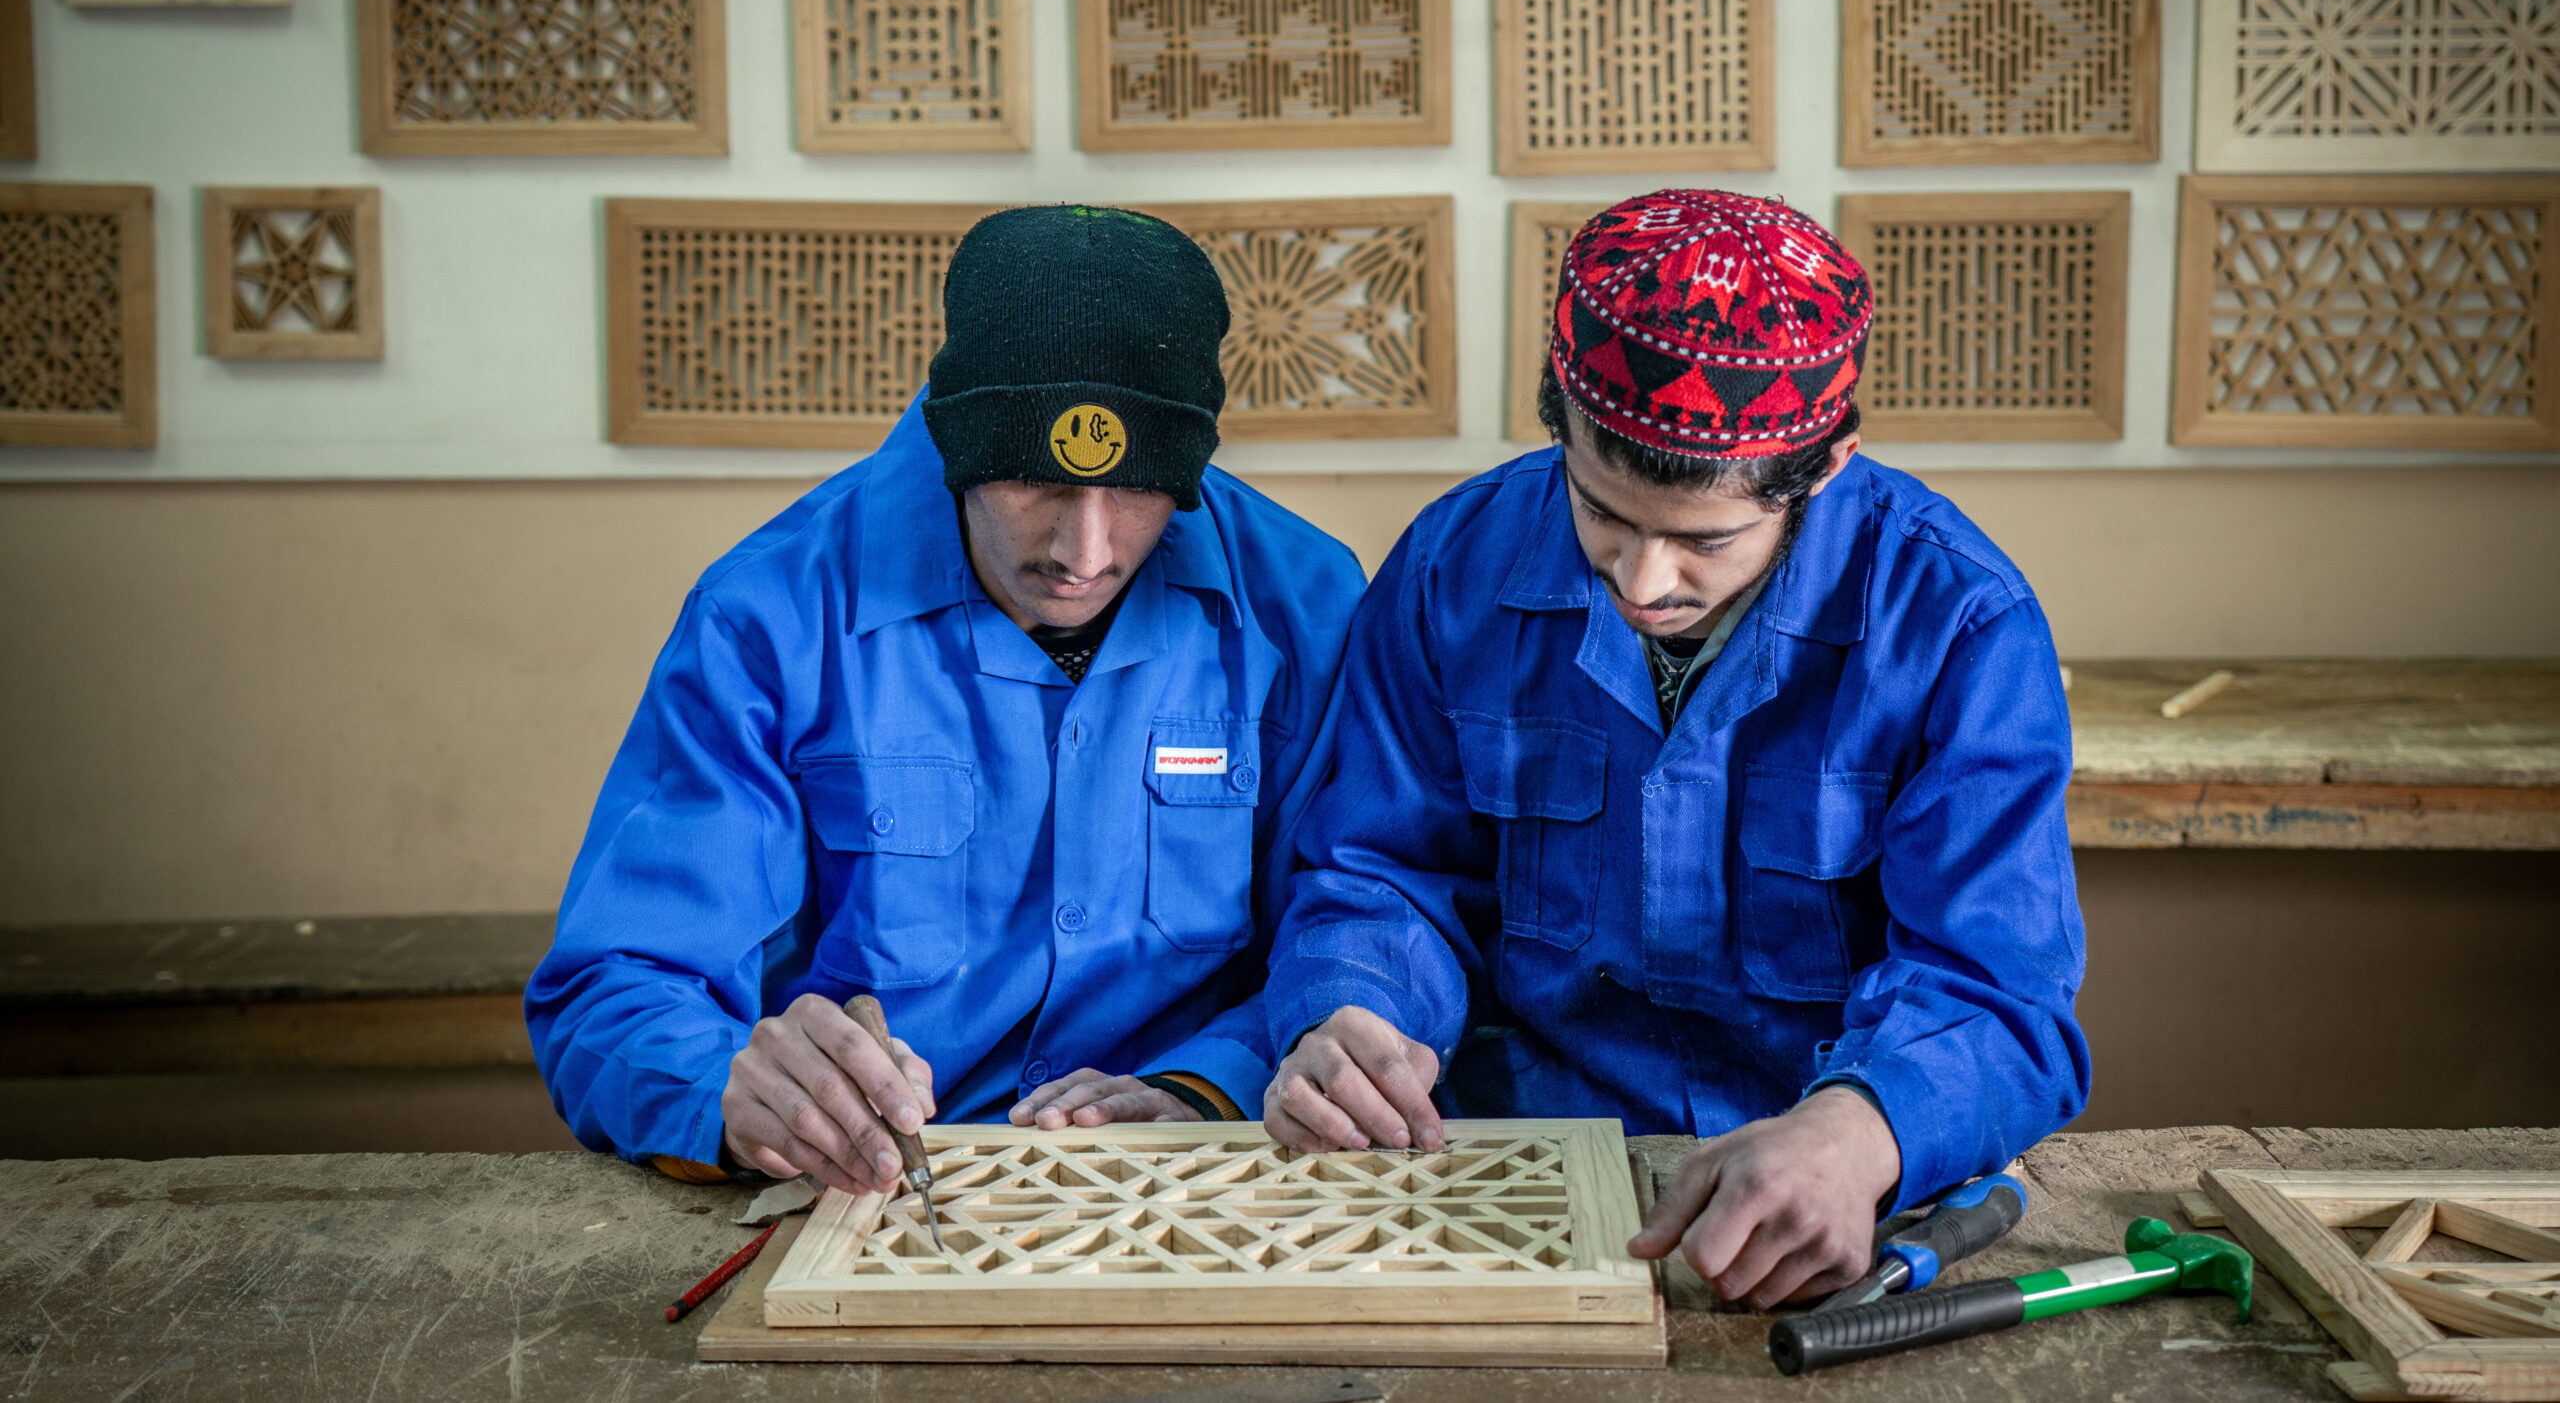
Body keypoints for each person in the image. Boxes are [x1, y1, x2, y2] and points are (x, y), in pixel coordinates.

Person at [1260, 189, 2089, 1309]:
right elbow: (1381, 868)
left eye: (1704, 541)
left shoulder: (1956, 622)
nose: (1643, 583)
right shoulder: (1452, 566)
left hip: (1827, 1203)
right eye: (1601, 515)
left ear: (1827, 464)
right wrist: (1354, 1012)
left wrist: (1859, 1129)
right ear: (1558, 418)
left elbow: (1999, 993)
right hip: (1509, 1175)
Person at [528, 205, 1365, 1196]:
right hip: (875, 1199)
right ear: (956, 438)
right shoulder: (767, 615)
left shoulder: (1301, 605)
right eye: (1027, 482)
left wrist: (1210, 1084)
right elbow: (613, 985)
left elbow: (1359, 909)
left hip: (1212, 1182)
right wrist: (729, 1088)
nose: (1081, 553)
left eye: (1137, 491)